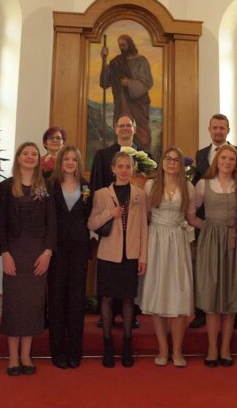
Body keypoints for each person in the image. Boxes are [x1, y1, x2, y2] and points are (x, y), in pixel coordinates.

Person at [0, 142, 56, 376]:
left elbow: (51, 221)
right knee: (13, 303)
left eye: (34, 154)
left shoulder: (45, 187)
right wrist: (5, 253)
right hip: (14, 252)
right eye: (25, 153)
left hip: (38, 253)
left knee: (32, 304)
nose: (30, 157)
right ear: (18, 158)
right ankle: (13, 357)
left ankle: (25, 356)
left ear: (38, 160)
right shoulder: (6, 186)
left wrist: (48, 252)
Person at [188, 145, 237, 367]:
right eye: (223, 157)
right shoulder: (203, 184)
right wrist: (207, 228)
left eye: (231, 159)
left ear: (236, 163)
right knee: (212, 295)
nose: (227, 162)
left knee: (231, 293)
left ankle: (225, 349)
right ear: (216, 160)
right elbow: (190, 214)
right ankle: (212, 348)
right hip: (211, 242)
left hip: (234, 240)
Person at [87, 151, 147, 368]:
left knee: (129, 300)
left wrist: (143, 256)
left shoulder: (140, 194)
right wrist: (109, 214)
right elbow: (91, 223)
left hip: (130, 254)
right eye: (120, 166)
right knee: (107, 299)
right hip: (108, 254)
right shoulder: (101, 194)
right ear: (113, 169)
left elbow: (144, 228)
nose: (124, 170)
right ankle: (107, 345)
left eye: (128, 166)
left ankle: (127, 345)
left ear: (132, 169)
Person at [138, 147, 194, 367]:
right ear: (162, 163)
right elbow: (145, 216)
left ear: (181, 165)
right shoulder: (151, 186)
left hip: (178, 241)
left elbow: (191, 217)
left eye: (176, 160)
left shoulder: (188, 187)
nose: (171, 163)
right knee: (158, 293)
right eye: (168, 159)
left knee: (180, 293)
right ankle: (163, 349)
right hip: (156, 241)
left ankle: (178, 350)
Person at [90, 113, 147, 329]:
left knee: (128, 286)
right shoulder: (103, 155)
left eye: (128, 125)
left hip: (133, 221)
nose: (124, 128)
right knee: (109, 281)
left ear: (134, 128)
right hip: (110, 224)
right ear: (115, 129)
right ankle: (106, 316)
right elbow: (97, 187)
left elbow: (147, 187)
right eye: (121, 125)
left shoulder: (144, 155)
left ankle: (130, 315)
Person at [48, 146, 92, 369]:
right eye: (66, 158)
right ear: (60, 161)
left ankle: (75, 351)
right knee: (56, 300)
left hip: (79, 249)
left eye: (74, 159)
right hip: (56, 249)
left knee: (76, 300)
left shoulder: (87, 188)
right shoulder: (50, 186)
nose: (70, 162)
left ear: (78, 163)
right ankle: (57, 351)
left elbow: (90, 216)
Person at [100, 34, 153, 150]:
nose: (122, 48)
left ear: (130, 44)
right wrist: (104, 60)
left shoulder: (141, 61)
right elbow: (104, 83)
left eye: (123, 45)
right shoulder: (116, 62)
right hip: (121, 103)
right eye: (120, 45)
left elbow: (147, 82)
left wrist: (128, 83)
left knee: (142, 134)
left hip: (138, 105)